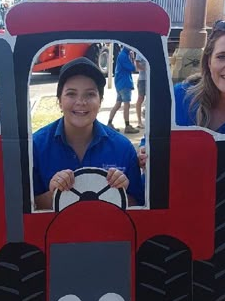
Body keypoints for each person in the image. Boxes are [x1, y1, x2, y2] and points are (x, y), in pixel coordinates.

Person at [140, 19, 225, 200]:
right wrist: (145, 154)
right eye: (222, 56)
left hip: (217, 221)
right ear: (208, 61)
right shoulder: (178, 97)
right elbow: (149, 142)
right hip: (161, 208)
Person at [33, 57, 144, 210]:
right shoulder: (35, 147)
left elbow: (139, 207)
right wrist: (54, 194)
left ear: (101, 101)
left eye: (90, 94)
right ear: (59, 100)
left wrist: (121, 191)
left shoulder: (123, 148)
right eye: (71, 94)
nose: (81, 101)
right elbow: (26, 207)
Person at [107, 45, 139, 134]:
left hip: (120, 83)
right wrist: (132, 59)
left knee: (118, 104)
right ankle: (127, 125)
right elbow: (132, 68)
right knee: (126, 105)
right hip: (124, 83)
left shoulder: (122, 55)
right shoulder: (124, 56)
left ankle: (109, 122)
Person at [135, 54, 147, 129]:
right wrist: (147, 69)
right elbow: (137, 65)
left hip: (150, 79)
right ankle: (139, 121)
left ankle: (146, 116)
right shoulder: (140, 54)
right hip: (142, 80)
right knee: (140, 99)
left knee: (150, 99)